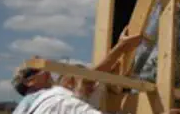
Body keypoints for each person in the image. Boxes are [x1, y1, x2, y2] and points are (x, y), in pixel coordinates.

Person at [11, 31, 147, 114]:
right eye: (40, 70)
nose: (48, 72)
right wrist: (120, 47)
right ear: (29, 81)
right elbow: (93, 75)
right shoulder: (60, 102)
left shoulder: (30, 106)